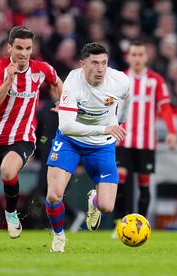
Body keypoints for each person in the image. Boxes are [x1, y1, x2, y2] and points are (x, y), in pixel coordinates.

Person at [0, 26, 62, 248]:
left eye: (28, 48)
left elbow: (56, 82)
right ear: (9, 48)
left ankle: (11, 214)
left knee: (8, 170)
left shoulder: (41, 69)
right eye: (19, 48)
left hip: (23, 136)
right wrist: (9, 81)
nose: (23, 53)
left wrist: (62, 103)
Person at [44, 42, 130, 253]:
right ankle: (58, 236)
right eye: (94, 63)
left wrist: (119, 122)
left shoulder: (120, 81)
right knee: (54, 195)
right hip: (70, 141)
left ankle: (94, 199)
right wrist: (105, 128)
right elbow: (66, 126)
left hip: (102, 146)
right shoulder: (73, 83)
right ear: (83, 64)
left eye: (104, 63)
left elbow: (127, 100)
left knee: (107, 207)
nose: (100, 68)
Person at [115, 41, 177, 221]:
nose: (137, 58)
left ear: (146, 57)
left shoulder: (155, 80)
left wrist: (171, 132)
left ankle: (140, 223)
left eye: (140, 54)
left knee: (144, 185)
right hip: (122, 140)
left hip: (146, 141)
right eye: (133, 54)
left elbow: (165, 108)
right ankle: (122, 221)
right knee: (120, 183)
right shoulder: (120, 79)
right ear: (128, 57)